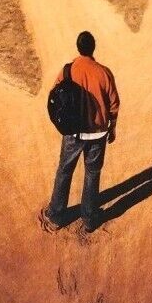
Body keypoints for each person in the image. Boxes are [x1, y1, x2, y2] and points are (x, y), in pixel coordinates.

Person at [39, 30, 120, 234]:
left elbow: (55, 96)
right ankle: (90, 219)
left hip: (73, 133)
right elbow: (114, 104)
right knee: (92, 173)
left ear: (78, 47)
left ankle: (55, 216)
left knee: (65, 170)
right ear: (93, 48)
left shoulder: (68, 70)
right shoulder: (104, 73)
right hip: (98, 134)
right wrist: (112, 127)